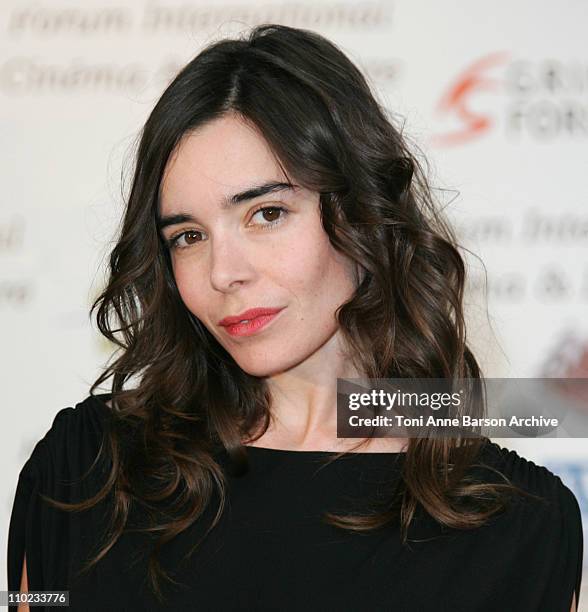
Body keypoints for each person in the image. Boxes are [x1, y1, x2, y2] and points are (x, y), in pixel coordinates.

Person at [7, 23, 583, 612]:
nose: (222, 271)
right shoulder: (83, 473)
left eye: (267, 213)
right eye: (187, 236)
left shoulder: (518, 530)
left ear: (364, 211)